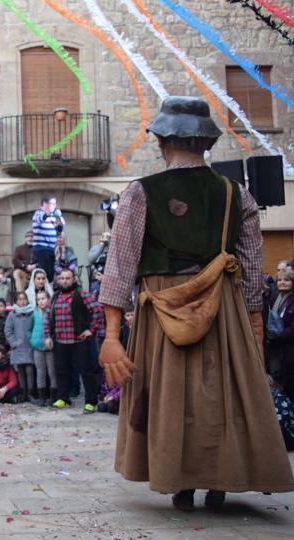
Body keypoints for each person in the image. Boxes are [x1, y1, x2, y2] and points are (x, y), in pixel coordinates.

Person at [97, 96, 294, 510]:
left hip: (161, 306)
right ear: (206, 143)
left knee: (171, 395)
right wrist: (253, 334)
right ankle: (219, 479)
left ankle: (179, 480)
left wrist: (112, 336)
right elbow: (254, 271)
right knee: (222, 392)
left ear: (162, 140)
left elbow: (119, 269)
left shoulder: (139, 192)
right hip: (222, 308)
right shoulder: (234, 194)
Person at [45, 269, 103, 412]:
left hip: (79, 340)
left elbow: (98, 310)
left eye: (68, 278)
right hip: (60, 341)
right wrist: (47, 336)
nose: (65, 281)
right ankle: (63, 399)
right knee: (62, 371)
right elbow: (47, 317)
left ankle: (91, 401)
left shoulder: (81, 294)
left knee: (85, 371)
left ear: (73, 280)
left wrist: (91, 329)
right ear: (58, 280)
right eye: (62, 278)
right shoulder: (55, 297)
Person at [267, 268, 294, 395]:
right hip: (275, 345)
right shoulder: (274, 297)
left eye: (287, 280)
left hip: (289, 347)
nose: (282, 282)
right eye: (279, 280)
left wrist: (280, 336)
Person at [5, 292, 36, 404]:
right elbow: (8, 331)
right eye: (19, 299)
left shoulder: (32, 313)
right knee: (20, 370)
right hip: (17, 347)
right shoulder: (12, 315)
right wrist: (14, 343)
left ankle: (30, 393)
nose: (22, 301)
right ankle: (23, 393)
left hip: (29, 346)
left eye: (24, 299)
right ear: (16, 301)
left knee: (30, 369)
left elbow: (35, 328)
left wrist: (33, 341)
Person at [29, 290, 55, 406]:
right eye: (38, 299)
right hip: (37, 347)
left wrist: (53, 340)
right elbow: (29, 329)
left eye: (43, 298)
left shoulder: (52, 312)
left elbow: (55, 329)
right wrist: (32, 340)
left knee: (52, 371)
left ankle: (53, 396)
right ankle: (42, 397)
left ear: (48, 299)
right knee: (40, 371)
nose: (41, 301)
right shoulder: (34, 313)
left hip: (50, 347)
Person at [32, 194, 65, 280]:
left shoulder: (53, 216)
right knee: (44, 273)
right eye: (53, 203)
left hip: (51, 249)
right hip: (41, 248)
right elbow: (41, 219)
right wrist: (48, 213)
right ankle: (42, 292)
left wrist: (59, 220)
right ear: (45, 204)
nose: (55, 206)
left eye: (55, 203)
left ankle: (48, 291)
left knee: (50, 274)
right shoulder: (38, 213)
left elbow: (59, 231)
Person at [88, 231, 111, 296]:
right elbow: (91, 260)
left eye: (108, 237)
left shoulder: (113, 250)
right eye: (104, 236)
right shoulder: (95, 248)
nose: (105, 239)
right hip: (96, 280)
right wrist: (101, 246)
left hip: (108, 280)